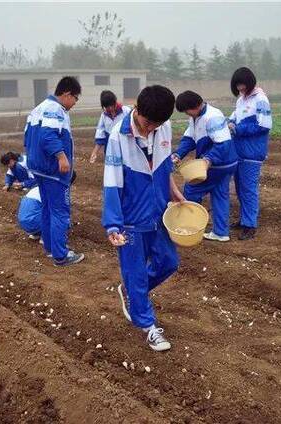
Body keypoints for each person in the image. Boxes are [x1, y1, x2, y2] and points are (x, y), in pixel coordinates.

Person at [102, 85, 185, 352]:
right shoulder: (118, 136)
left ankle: (133, 294)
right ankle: (148, 326)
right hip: (130, 219)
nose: (150, 129)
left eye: (156, 124)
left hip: (158, 212)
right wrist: (113, 223)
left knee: (169, 262)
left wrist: (173, 193)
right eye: (147, 123)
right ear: (136, 109)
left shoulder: (164, 128)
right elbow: (112, 182)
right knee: (135, 274)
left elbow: (164, 168)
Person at [25, 76, 84, 266]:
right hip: (53, 170)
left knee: (47, 208)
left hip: (39, 168)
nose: (75, 103)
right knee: (60, 211)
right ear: (67, 94)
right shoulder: (56, 110)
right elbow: (47, 136)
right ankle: (61, 255)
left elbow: (28, 138)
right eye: (75, 98)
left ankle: (50, 248)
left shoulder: (38, 108)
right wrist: (61, 156)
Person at [171, 91, 238, 242]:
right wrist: (178, 154)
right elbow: (189, 138)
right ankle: (221, 232)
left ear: (195, 106)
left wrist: (208, 160)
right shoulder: (196, 117)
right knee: (220, 194)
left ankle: (189, 227)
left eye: (187, 111)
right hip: (227, 163)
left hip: (218, 165)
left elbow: (223, 144)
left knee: (192, 189)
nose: (187, 114)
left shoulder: (212, 117)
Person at [228, 67, 272, 240]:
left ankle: (250, 225)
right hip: (239, 151)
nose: (240, 89)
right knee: (240, 188)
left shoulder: (260, 99)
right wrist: (230, 122)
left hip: (252, 152)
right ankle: (244, 219)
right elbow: (234, 117)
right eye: (237, 86)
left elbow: (263, 125)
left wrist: (238, 129)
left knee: (248, 190)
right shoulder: (241, 100)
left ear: (250, 82)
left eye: (243, 85)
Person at [18, 171, 77, 240]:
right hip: (33, 222)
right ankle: (46, 238)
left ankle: (37, 233)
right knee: (58, 216)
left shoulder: (44, 185)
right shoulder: (56, 191)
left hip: (23, 222)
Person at [90, 90, 131, 164]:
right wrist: (94, 152)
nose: (111, 109)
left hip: (126, 148)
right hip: (110, 149)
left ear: (115, 102)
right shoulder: (104, 116)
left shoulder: (126, 111)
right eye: (107, 107)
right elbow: (100, 134)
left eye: (112, 105)